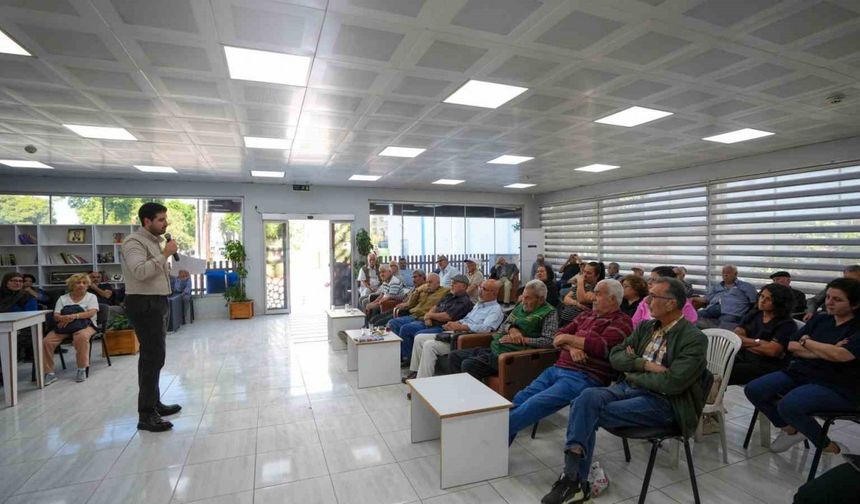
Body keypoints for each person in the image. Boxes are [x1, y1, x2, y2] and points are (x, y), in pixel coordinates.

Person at [541, 278, 709, 504]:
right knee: (585, 398)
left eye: (653, 297)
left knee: (585, 411)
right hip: (630, 387)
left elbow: (673, 382)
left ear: (670, 304)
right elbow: (616, 356)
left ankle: (573, 480)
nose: (647, 301)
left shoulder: (694, 338)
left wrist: (632, 368)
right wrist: (643, 365)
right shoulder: (647, 327)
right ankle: (574, 481)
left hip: (665, 404)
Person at [744, 277, 860, 456]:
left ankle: (831, 448)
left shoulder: (856, 328)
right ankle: (791, 430)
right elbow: (791, 345)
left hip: (838, 384)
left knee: (790, 405)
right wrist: (825, 349)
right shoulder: (821, 319)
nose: (829, 302)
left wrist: (808, 342)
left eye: (837, 299)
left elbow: (841, 356)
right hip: (802, 372)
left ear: (854, 305)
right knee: (754, 389)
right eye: (828, 297)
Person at [508, 279, 632, 444]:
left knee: (533, 405)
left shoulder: (622, 322)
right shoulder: (587, 314)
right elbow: (557, 336)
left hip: (585, 376)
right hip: (557, 368)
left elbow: (601, 347)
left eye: (598, 294)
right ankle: (495, 455)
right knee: (519, 398)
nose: (592, 298)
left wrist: (567, 338)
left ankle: (488, 435)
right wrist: (572, 348)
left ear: (613, 299)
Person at [121, 202, 182, 433]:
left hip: (157, 301)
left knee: (157, 357)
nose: (165, 223)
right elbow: (140, 272)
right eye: (160, 220)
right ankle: (146, 415)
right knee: (150, 358)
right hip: (143, 302)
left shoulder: (154, 242)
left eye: (165, 219)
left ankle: (154, 403)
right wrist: (165, 253)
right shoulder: (133, 242)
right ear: (146, 221)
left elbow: (156, 271)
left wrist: (172, 262)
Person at [449, 279, 558, 381]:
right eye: (523, 297)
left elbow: (549, 341)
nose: (523, 301)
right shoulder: (521, 307)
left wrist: (523, 339)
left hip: (515, 356)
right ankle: (459, 394)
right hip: (496, 348)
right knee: (454, 356)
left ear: (541, 299)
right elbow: (502, 327)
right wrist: (511, 329)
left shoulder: (549, 312)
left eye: (528, 298)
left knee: (468, 365)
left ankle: (475, 399)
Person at [406, 279, 503, 381]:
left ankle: (423, 382)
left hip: (467, 338)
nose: (480, 291)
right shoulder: (479, 304)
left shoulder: (495, 310)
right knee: (419, 338)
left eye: (484, 289)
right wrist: (456, 323)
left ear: (494, 293)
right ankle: (415, 372)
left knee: (429, 345)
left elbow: (486, 328)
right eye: (480, 287)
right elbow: (466, 319)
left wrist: (463, 327)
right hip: (457, 332)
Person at [392, 274, 473, 365]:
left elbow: (447, 316)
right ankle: (407, 358)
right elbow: (436, 306)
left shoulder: (464, 301)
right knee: (406, 328)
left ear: (464, 286)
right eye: (451, 283)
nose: (452, 285)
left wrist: (430, 316)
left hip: (442, 326)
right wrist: (428, 315)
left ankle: (415, 365)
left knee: (418, 335)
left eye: (455, 283)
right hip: (430, 321)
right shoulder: (449, 295)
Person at [729, 283, 796, 385]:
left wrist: (744, 343)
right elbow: (736, 338)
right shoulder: (754, 314)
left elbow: (772, 351)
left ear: (779, 303)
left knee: (727, 370)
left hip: (766, 366)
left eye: (768, 299)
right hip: (744, 357)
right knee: (715, 361)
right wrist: (759, 342)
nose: (762, 301)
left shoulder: (787, 324)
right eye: (762, 296)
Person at [41, 273, 99, 385]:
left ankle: (82, 368)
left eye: (84, 283)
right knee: (47, 342)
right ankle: (49, 373)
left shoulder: (91, 297)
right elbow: (56, 315)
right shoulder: (63, 298)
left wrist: (73, 316)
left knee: (81, 337)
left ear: (87, 285)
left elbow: (91, 313)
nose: (81, 285)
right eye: (78, 283)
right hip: (64, 325)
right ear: (72, 285)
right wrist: (63, 318)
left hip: (86, 324)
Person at [387, 273, 448, 356]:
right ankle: (397, 353)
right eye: (427, 282)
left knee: (406, 328)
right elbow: (410, 304)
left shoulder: (445, 291)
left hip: (423, 318)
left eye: (430, 282)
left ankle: (406, 356)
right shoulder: (423, 290)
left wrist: (429, 316)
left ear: (438, 283)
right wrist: (418, 290)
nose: (428, 284)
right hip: (413, 316)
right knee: (392, 322)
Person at [693, 264, 757, 329]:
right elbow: (706, 299)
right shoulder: (718, 286)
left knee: (721, 328)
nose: (725, 275)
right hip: (713, 309)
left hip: (731, 313)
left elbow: (755, 303)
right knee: (693, 317)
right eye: (723, 273)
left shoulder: (747, 287)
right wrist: (690, 299)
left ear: (736, 274)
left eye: (728, 273)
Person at [631, 266, 698, 326]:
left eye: (654, 280)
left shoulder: (682, 304)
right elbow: (634, 323)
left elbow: (689, 326)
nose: (649, 282)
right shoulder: (646, 301)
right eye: (649, 279)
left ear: (667, 283)